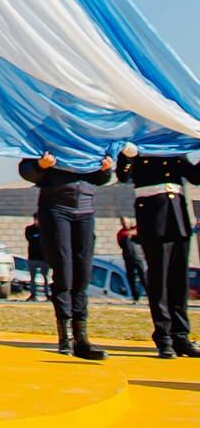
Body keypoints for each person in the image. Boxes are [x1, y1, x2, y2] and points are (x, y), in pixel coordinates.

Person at [17, 147, 114, 360]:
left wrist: (106, 169)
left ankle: (82, 339)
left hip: (85, 210)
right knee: (64, 273)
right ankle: (66, 338)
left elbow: (99, 178)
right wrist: (40, 165)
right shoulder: (48, 135)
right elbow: (26, 169)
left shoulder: (87, 139)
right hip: (55, 207)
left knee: (82, 275)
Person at [115, 145, 200, 359]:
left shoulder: (174, 147)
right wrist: (127, 156)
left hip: (178, 218)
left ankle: (181, 336)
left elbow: (196, 178)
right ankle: (164, 337)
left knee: (179, 281)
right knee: (159, 279)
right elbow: (123, 176)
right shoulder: (139, 147)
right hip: (154, 217)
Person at [115, 216, 146, 304]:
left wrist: (132, 233)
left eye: (126, 222)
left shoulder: (136, 229)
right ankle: (135, 297)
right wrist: (127, 234)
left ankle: (150, 295)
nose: (125, 224)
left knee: (143, 276)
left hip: (138, 257)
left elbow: (140, 232)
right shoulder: (120, 233)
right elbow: (121, 243)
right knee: (131, 278)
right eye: (123, 223)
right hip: (128, 258)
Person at [24, 217, 46, 301]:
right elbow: (30, 239)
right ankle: (33, 294)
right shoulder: (30, 229)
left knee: (45, 277)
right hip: (33, 257)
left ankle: (47, 294)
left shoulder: (45, 229)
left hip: (43, 258)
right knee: (32, 278)